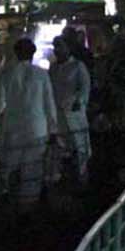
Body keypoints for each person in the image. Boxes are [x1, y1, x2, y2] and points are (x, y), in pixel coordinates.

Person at [0, 38, 58, 212]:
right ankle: (28, 207)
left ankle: (9, 201)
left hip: (13, 129)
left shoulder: (6, 74)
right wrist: (53, 130)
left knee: (10, 167)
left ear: (15, 53)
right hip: (37, 129)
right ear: (33, 53)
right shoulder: (41, 74)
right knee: (32, 170)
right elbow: (49, 103)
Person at [49, 36, 92, 184]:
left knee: (79, 147)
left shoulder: (78, 66)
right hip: (57, 115)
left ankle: (81, 177)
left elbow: (85, 89)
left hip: (74, 115)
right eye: (55, 47)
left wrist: (78, 102)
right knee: (59, 149)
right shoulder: (53, 68)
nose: (57, 50)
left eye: (60, 46)